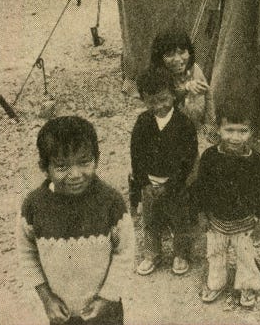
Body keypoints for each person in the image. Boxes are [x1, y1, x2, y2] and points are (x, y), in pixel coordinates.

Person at [17, 116, 135, 325]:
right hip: (61, 314)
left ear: (96, 159)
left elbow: (124, 251)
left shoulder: (111, 202)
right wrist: (47, 299)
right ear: (44, 168)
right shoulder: (33, 206)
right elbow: (27, 254)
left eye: (84, 162)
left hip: (106, 312)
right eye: (62, 167)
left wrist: (107, 297)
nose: (76, 174)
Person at [194, 104, 260, 307]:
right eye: (229, 130)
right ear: (219, 129)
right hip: (216, 220)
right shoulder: (210, 157)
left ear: (251, 131)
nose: (235, 138)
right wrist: (201, 213)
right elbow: (201, 187)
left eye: (242, 131)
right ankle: (216, 283)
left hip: (244, 223)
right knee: (215, 254)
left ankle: (247, 285)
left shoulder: (256, 161)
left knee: (246, 256)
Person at [130, 67, 199, 276]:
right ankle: (152, 253)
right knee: (150, 221)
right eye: (152, 102)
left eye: (163, 99)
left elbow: (188, 159)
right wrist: (144, 183)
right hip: (150, 183)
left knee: (180, 219)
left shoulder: (184, 123)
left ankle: (180, 253)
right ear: (143, 100)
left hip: (175, 183)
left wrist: (173, 184)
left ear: (173, 94)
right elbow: (136, 155)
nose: (159, 106)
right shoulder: (143, 123)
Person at [150, 29, 217, 142]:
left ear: (189, 52)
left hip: (197, 130)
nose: (178, 59)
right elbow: (165, 103)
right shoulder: (157, 76)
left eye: (182, 52)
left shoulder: (195, 69)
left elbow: (208, 94)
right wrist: (186, 88)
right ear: (160, 57)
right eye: (170, 55)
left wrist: (209, 124)